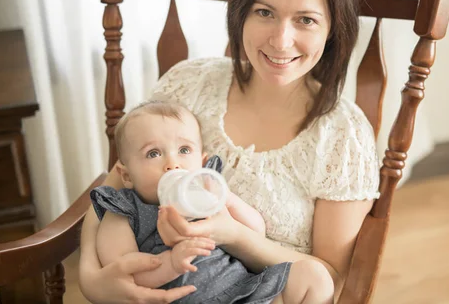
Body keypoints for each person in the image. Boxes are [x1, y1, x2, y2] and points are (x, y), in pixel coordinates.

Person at [79, 0, 380, 304]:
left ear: (333, 29)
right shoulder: (188, 87)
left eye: (305, 19)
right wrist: (91, 278)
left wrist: (235, 235)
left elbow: (331, 279)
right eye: (265, 12)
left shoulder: (343, 136)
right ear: (240, 12)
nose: (280, 40)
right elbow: (112, 194)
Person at [90, 100, 330, 303]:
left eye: (184, 150)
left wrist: (224, 198)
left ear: (203, 163)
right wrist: (171, 263)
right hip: (180, 298)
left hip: (243, 290)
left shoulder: (207, 193)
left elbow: (257, 229)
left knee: (313, 276)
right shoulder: (124, 210)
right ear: (127, 175)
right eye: (153, 153)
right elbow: (123, 274)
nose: (173, 164)